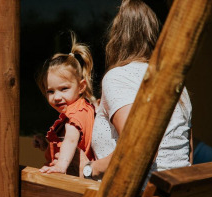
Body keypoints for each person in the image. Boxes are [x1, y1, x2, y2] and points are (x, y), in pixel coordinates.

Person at [81, 0, 193, 182]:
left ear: (116, 36)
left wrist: (90, 169)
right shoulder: (176, 83)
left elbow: (139, 148)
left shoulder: (117, 77)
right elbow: (185, 153)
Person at [33, 32, 97, 175]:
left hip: (70, 180)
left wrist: (60, 166)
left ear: (81, 87)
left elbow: (71, 140)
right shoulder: (83, 108)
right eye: (50, 91)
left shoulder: (74, 114)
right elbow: (65, 141)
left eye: (64, 89)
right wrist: (46, 143)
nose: (56, 97)